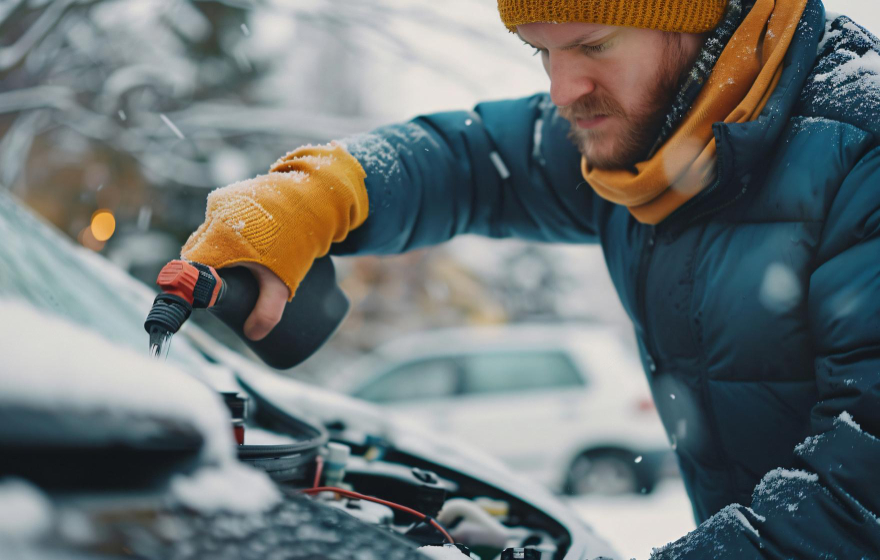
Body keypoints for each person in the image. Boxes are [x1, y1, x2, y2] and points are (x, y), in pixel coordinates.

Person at [181, 0, 880, 556]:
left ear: (701, 21)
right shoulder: (648, 142)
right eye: (542, 51)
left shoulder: (861, 153)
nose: (564, 90)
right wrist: (321, 193)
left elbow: (861, 492)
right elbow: (472, 160)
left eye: (593, 44)